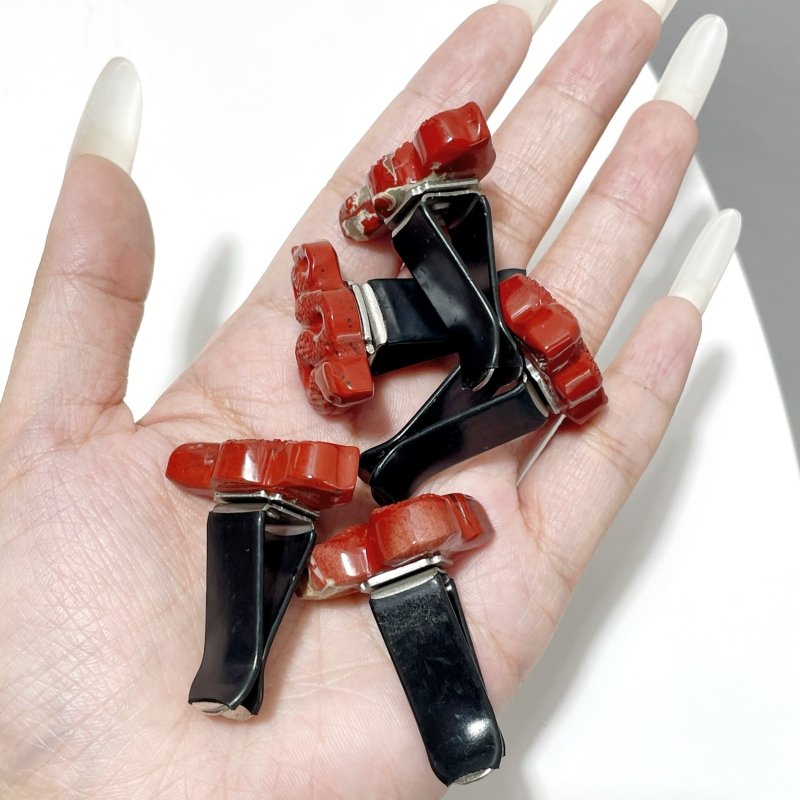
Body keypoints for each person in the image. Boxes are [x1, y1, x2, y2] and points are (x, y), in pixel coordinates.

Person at [0, 1, 740, 796]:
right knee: (460, 375)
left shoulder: (461, 242)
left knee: (464, 370)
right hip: (400, 406)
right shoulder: (453, 261)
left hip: (425, 384)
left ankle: (416, 402)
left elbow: (476, 345)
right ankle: (256, 652)